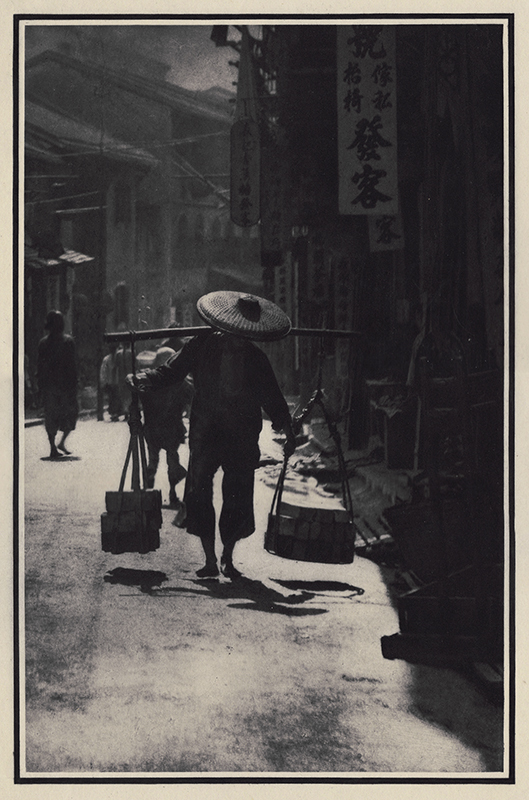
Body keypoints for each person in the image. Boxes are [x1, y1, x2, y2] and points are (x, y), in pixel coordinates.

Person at [127, 291, 296, 580]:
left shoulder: (256, 359)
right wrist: (143, 379)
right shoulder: (201, 345)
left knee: (238, 497)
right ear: (227, 326)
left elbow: (273, 399)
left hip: (241, 438)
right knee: (199, 495)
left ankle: (227, 557)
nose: (239, 339)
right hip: (206, 433)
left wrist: (288, 429)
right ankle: (208, 559)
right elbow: (172, 372)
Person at [140, 344, 194, 509]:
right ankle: (172, 493)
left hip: (152, 429)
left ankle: (147, 492)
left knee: (152, 460)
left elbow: (138, 400)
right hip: (172, 429)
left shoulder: (149, 381)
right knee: (172, 459)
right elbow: (190, 402)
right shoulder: (182, 383)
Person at [37, 309, 78, 459]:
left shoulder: (44, 343)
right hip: (62, 387)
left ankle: (55, 446)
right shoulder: (67, 342)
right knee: (66, 415)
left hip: (52, 387)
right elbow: (72, 367)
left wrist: (40, 387)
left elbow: (40, 368)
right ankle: (56, 445)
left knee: (52, 417)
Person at [99, 344, 122, 421]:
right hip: (115, 381)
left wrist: (103, 381)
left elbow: (103, 371)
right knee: (115, 397)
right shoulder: (117, 357)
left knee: (113, 398)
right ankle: (115, 413)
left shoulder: (108, 359)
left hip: (112, 381)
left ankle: (115, 413)